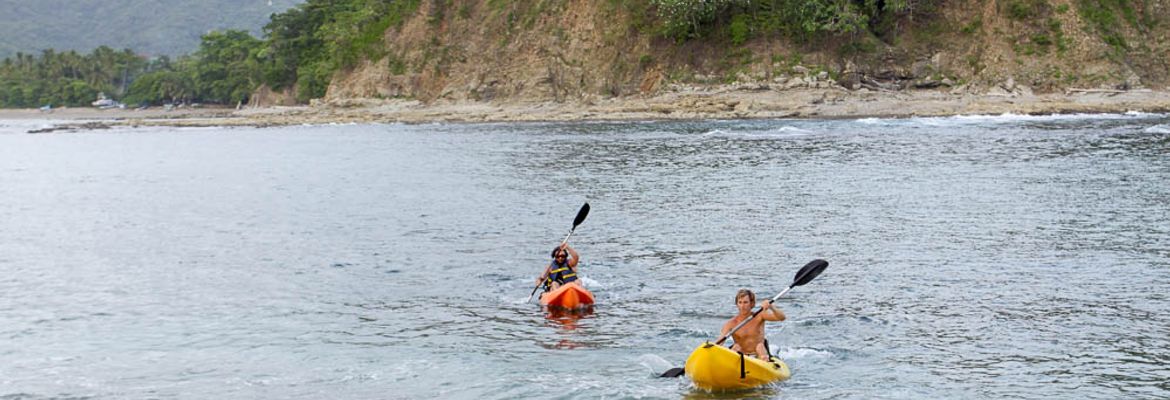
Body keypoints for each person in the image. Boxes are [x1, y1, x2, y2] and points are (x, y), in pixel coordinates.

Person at [721, 289, 785, 360]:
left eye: (745, 302)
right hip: (742, 355)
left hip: (759, 355)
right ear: (737, 304)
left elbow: (782, 318)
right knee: (735, 347)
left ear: (752, 304)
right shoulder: (731, 323)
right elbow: (720, 341)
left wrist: (771, 307)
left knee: (760, 346)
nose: (742, 306)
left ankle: (765, 361)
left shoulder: (760, 316)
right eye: (740, 302)